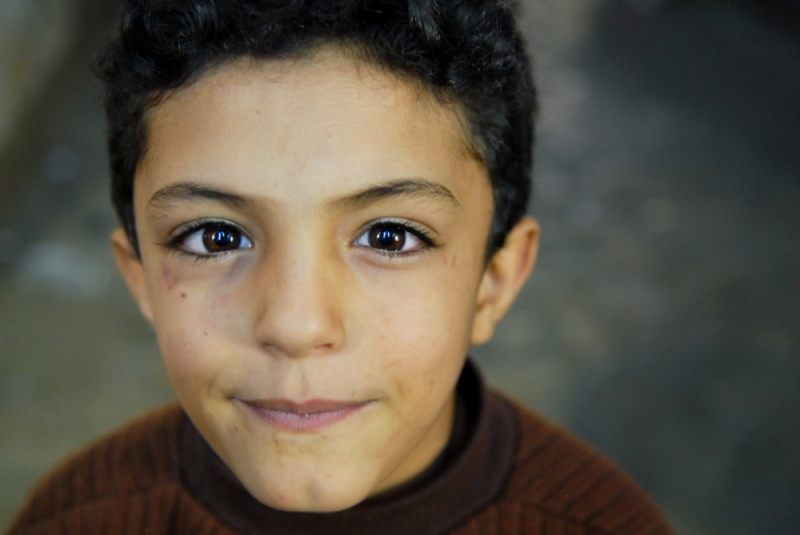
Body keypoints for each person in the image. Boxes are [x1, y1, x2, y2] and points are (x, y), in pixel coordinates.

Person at [6, 0, 674, 533]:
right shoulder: (79, 517)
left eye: (389, 235)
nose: (296, 323)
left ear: (493, 283)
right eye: (214, 236)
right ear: (142, 277)